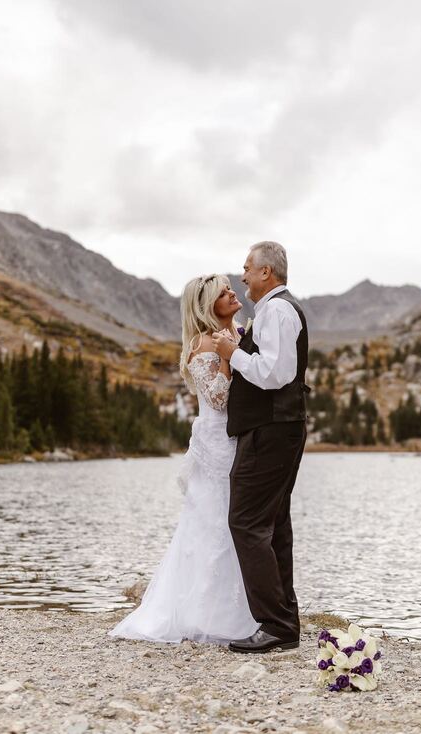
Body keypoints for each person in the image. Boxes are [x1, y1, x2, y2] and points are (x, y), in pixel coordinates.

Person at [109, 274, 260, 643]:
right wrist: (227, 357)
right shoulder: (203, 344)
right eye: (223, 292)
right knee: (214, 523)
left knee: (237, 522)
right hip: (216, 442)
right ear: (208, 305)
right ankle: (209, 616)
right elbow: (219, 399)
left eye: (230, 287)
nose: (231, 293)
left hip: (239, 438)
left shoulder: (239, 331)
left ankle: (248, 609)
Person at [213, 241, 309, 654]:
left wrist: (233, 354)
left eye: (248, 269)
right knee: (273, 526)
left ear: (266, 272)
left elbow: (275, 374)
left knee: (247, 522)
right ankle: (284, 623)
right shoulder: (270, 311)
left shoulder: (278, 310)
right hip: (273, 429)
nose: (243, 276)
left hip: (271, 430)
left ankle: (275, 624)